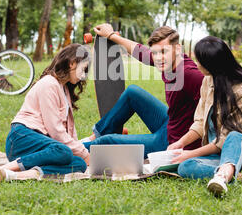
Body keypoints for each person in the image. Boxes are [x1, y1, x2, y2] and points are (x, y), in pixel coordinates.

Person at [167, 36, 242, 196]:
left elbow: (227, 138)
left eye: (200, 60)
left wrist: (191, 152)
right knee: (185, 166)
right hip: (221, 153)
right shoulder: (207, 82)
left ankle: (223, 177)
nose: (197, 63)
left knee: (234, 137)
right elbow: (200, 122)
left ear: (212, 64)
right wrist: (180, 143)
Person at [82, 24, 204, 158]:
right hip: (171, 123)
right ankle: (96, 135)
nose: (158, 58)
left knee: (107, 142)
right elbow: (141, 52)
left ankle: (74, 150)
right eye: (155, 52)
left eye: (163, 51)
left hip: (173, 142)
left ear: (177, 49)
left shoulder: (190, 75)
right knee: (132, 93)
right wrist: (111, 36)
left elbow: (213, 112)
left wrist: (194, 150)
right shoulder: (169, 59)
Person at [0, 44, 91, 182]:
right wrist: (84, 153)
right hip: (22, 138)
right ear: (72, 63)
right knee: (64, 151)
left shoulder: (64, 89)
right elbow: (55, 129)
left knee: (79, 163)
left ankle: (14, 175)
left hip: (44, 148)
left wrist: (81, 154)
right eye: (83, 69)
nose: (83, 76)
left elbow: (69, 131)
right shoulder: (49, 83)